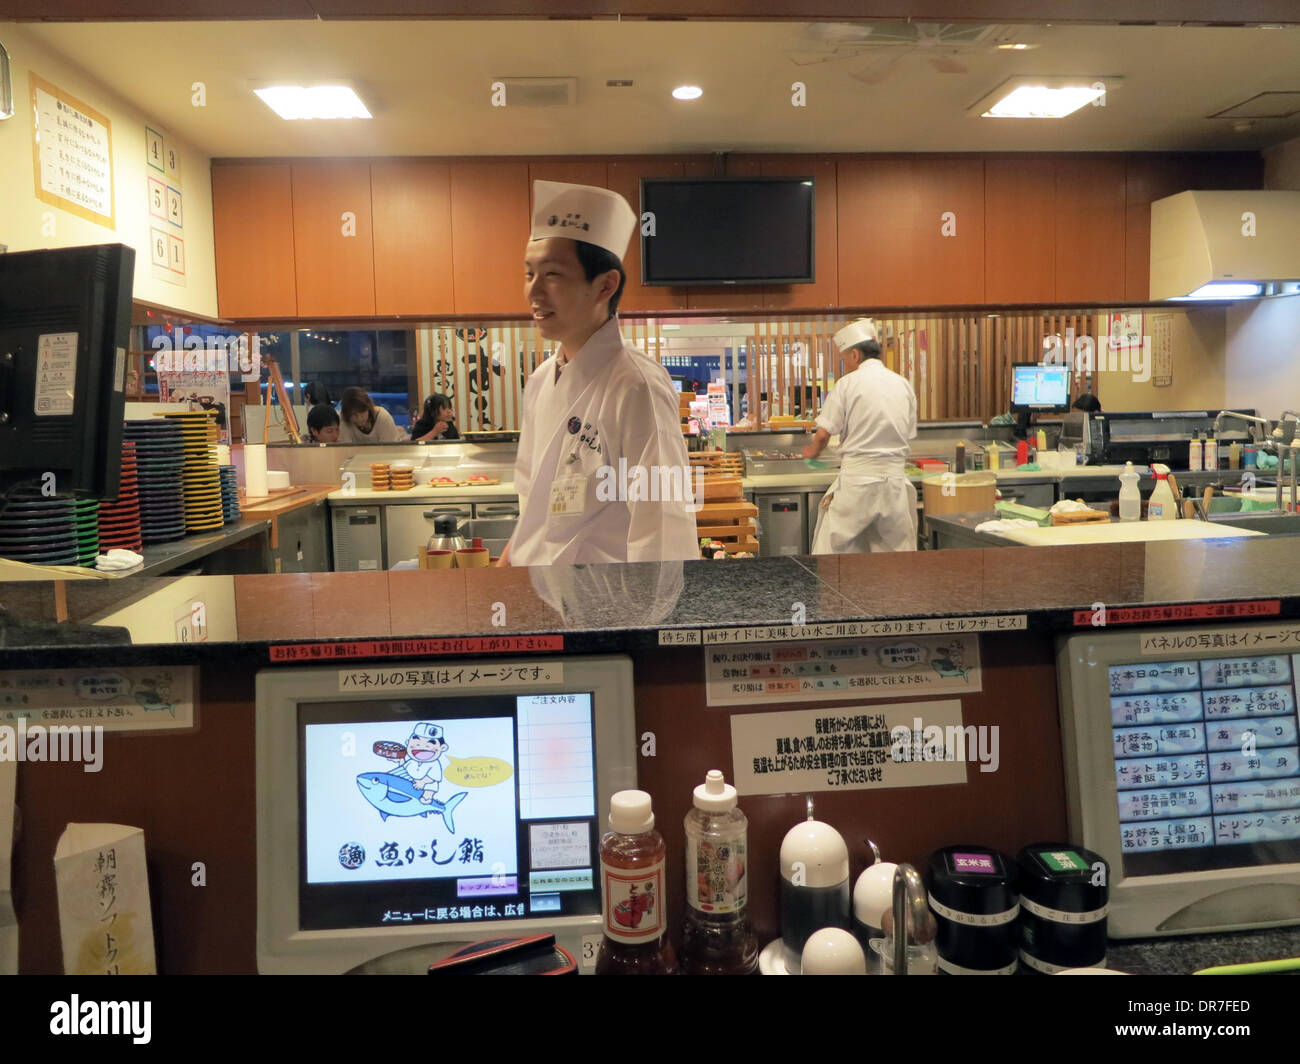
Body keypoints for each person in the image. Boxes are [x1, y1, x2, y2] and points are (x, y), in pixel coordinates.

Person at [498, 180, 698, 567]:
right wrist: (500, 578)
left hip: (607, 610)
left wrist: (645, 625)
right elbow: (532, 511)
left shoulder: (637, 384)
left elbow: (663, 528)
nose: (534, 293)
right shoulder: (541, 380)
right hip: (538, 599)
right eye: (529, 274)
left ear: (605, 285)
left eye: (552, 274)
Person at [804, 318, 919, 553]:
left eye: (844, 357)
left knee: (833, 553)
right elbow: (908, 433)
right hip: (894, 484)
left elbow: (824, 434)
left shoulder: (848, 383)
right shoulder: (902, 384)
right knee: (896, 556)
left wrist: (812, 452)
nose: (844, 363)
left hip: (857, 483)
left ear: (855, 355)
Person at [337, 387, 406, 444]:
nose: (359, 418)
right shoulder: (343, 419)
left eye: (362, 412)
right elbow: (346, 449)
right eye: (354, 414)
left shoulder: (383, 417)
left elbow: (389, 450)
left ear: (368, 407)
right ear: (346, 414)